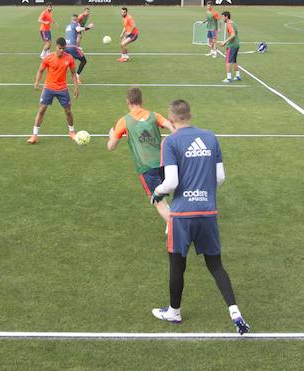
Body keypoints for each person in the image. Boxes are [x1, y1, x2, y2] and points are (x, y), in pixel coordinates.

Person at [149, 100, 249, 335]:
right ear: (190, 115)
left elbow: (171, 182)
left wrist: (157, 192)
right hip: (207, 211)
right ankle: (234, 311)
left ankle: (174, 312)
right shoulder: (210, 137)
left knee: (177, 265)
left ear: (171, 119)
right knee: (215, 265)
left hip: (183, 214)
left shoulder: (170, 142)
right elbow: (220, 177)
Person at [107, 88, 175, 227]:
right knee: (163, 193)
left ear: (128, 102)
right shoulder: (154, 115)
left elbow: (111, 146)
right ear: (142, 101)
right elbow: (169, 125)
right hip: (164, 163)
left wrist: (111, 136)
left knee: (157, 200)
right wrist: (174, 138)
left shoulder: (124, 121)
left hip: (146, 167)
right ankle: (174, 219)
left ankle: (177, 226)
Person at [29, 37, 81, 145]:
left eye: (64, 48)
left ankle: (71, 132)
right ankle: (34, 135)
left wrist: (76, 87)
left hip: (62, 89)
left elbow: (72, 73)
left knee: (68, 111)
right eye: (60, 48)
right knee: (42, 110)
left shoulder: (69, 58)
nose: (62, 50)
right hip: (49, 88)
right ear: (56, 47)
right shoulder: (48, 58)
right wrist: (37, 82)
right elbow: (40, 70)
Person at [65, 14, 93, 83]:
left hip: (65, 47)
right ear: (77, 19)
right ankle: (76, 76)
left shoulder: (68, 25)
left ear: (71, 19)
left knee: (67, 61)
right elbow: (79, 29)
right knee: (84, 61)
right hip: (72, 47)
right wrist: (89, 27)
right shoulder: (76, 24)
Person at [219, 11, 240, 83]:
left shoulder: (229, 24)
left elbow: (233, 35)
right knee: (234, 60)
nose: (222, 18)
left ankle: (229, 78)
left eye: (222, 17)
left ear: (226, 17)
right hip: (236, 44)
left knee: (228, 61)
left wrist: (225, 42)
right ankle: (237, 76)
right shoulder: (232, 22)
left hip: (232, 45)